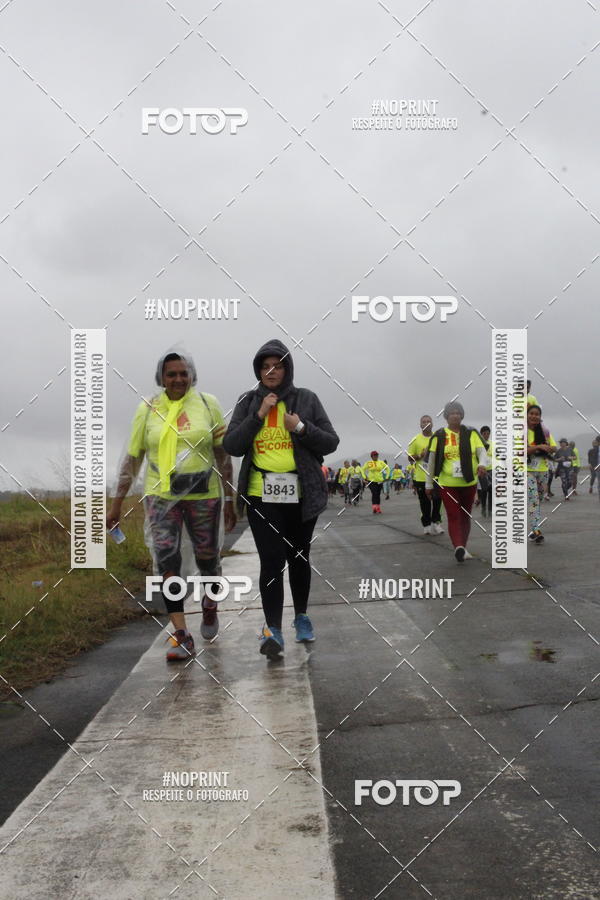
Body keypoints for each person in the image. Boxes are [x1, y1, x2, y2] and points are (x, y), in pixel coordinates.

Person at [106, 351, 236, 661]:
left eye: (183, 373)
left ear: (192, 376)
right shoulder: (149, 408)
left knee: (208, 560)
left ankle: (209, 604)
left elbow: (223, 455)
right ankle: (181, 634)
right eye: (171, 374)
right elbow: (133, 459)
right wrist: (116, 505)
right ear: (161, 378)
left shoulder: (208, 404)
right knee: (167, 561)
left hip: (205, 497)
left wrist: (230, 498)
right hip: (161, 497)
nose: (178, 379)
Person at [223, 338, 338, 660]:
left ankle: (301, 616)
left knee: (298, 558)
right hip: (263, 494)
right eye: (265, 366)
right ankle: (272, 628)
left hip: (302, 494)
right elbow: (232, 445)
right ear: (258, 370)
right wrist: (258, 415)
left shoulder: (307, 399)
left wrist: (300, 426)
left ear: (287, 369)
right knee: (271, 561)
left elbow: (330, 442)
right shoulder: (248, 402)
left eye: (277, 365)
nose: (271, 371)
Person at [425, 402, 487, 562]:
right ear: (446, 416)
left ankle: (463, 547)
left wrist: (482, 464)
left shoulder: (471, 433)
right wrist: (429, 484)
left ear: (462, 415)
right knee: (453, 515)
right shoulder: (439, 435)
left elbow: (482, 452)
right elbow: (431, 462)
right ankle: (458, 546)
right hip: (448, 484)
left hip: (469, 482)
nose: (455, 415)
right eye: (451, 413)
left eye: (458, 412)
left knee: (465, 516)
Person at [408, 415, 443, 535]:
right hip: (421, 476)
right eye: (424, 422)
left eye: (429, 421)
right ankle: (427, 524)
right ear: (420, 425)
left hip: (437, 476)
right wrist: (420, 455)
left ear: (432, 424)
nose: (427, 423)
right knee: (425, 503)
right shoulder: (415, 439)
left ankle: (436, 522)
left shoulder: (437, 438)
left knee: (438, 501)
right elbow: (410, 458)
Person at [526, 405, 556, 544]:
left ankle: (533, 529)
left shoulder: (544, 431)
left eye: (537, 414)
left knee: (538, 500)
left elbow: (554, 448)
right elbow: (520, 452)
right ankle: (536, 529)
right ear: (526, 415)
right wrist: (538, 447)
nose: (534, 416)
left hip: (543, 470)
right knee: (533, 499)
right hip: (527, 470)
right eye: (531, 413)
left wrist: (549, 448)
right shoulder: (521, 431)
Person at [477, 426, 494, 518]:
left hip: (491, 469)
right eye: (484, 434)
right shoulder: (479, 444)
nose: (486, 435)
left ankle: (490, 510)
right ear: (481, 434)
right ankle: (483, 507)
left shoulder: (492, 444)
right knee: (484, 489)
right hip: (482, 469)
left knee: (491, 489)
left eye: (488, 433)